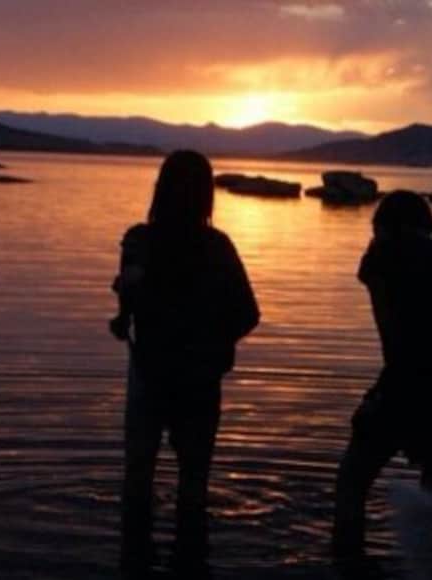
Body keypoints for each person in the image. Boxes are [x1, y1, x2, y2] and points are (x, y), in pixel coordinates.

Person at [111, 150, 260, 580]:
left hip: (152, 375)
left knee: (138, 479)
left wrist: (126, 315)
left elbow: (126, 314)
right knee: (192, 486)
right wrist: (214, 346)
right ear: (207, 195)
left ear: (159, 188)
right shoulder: (217, 247)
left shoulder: (139, 239)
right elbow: (248, 313)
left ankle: (134, 561)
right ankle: (190, 563)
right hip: (198, 379)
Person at [332, 191, 432, 575]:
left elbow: (398, 348)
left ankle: (346, 565)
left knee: (352, 483)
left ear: (383, 228)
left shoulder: (381, 262)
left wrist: (378, 400)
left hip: (408, 391)